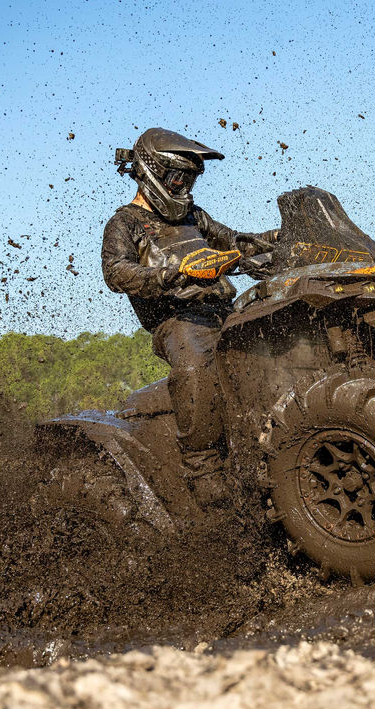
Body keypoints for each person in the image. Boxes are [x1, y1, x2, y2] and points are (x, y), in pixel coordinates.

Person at [101, 127, 276, 502]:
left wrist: (275, 240)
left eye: (190, 178)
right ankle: (203, 467)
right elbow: (116, 272)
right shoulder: (125, 223)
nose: (183, 186)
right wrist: (174, 273)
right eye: (178, 177)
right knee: (197, 363)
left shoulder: (195, 216)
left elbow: (236, 243)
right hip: (177, 320)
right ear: (152, 172)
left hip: (224, 309)